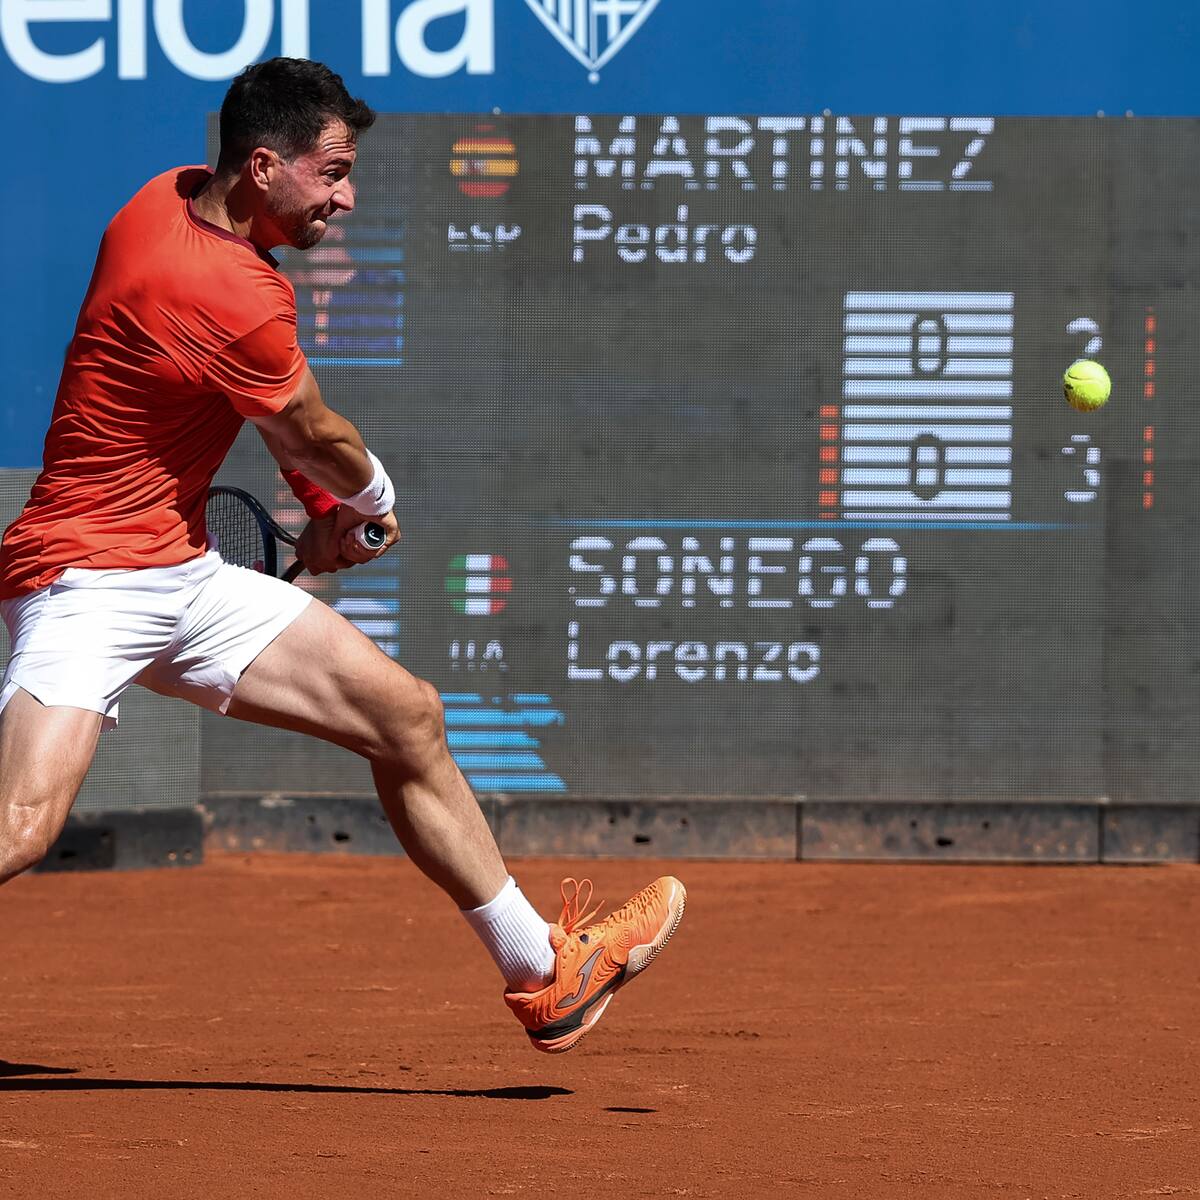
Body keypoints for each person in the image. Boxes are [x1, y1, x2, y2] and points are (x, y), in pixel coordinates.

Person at [0, 58, 685, 1054]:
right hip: (86, 578)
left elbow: (272, 420)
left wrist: (322, 510)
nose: (347, 196)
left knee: (407, 717)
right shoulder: (224, 286)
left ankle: (545, 971)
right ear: (264, 166)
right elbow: (313, 428)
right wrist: (364, 501)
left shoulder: (167, 198)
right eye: (332, 172)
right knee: (21, 826)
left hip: (181, 573)